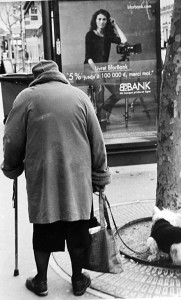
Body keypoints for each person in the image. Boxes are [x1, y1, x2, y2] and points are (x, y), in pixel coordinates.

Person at [1, 60, 111, 297]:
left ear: (36, 77)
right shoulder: (79, 97)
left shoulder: (26, 98)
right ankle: (78, 279)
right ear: (58, 75)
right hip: (77, 179)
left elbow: (11, 139)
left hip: (43, 178)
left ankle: (41, 280)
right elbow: (97, 139)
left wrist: (11, 167)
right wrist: (100, 174)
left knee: (44, 228)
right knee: (77, 228)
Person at [84, 9, 127, 126]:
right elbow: (88, 58)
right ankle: (99, 119)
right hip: (90, 68)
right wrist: (97, 71)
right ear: (95, 20)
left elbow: (124, 40)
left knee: (118, 92)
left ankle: (103, 111)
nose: (102, 22)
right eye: (99, 19)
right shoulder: (90, 35)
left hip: (104, 69)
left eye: (104, 19)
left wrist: (115, 25)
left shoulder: (107, 36)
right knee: (100, 86)